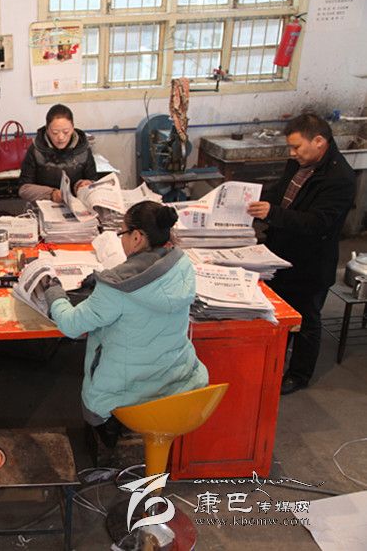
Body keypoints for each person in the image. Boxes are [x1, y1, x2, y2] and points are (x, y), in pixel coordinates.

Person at [43, 201, 209, 446]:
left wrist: (54, 293)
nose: (121, 239)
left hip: (128, 396)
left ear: (137, 238)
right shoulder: (182, 266)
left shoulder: (117, 288)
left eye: (122, 233)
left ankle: (110, 433)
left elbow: (71, 325)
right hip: (179, 385)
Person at [247, 113, 356, 395]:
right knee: (278, 312)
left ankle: (299, 375)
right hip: (282, 252)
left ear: (318, 141)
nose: (292, 153)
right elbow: (281, 193)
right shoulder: (300, 163)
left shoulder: (340, 178)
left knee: (306, 319)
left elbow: (317, 223)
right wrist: (255, 202)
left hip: (311, 262)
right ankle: (273, 362)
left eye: (297, 147)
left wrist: (273, 213)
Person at [18, 103, 101, 203]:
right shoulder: (36, 149)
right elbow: (23, 189)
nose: (61, 137)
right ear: (47, 129)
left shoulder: (83, 148)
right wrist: (50, 193)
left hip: (76, 204)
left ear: (73, 128)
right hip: (44, 204)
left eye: (66, 132)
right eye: (55, 132)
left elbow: (94, 182)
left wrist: (83, 184)